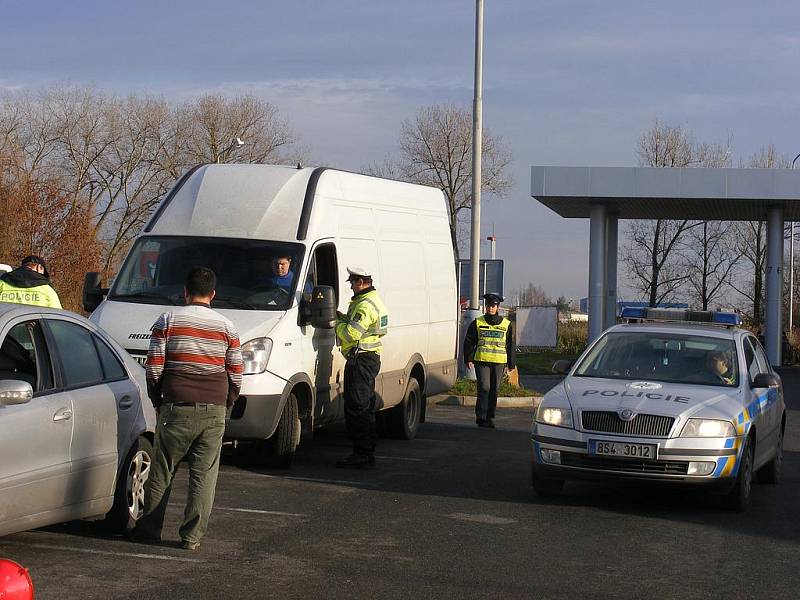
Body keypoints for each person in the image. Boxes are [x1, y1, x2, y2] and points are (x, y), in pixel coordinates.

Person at [132, 267, 243, 551]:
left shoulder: (168, 320)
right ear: (213, 294)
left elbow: (154, 366)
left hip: (176, 405)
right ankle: (191, 537)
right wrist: (227, 400)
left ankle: (149, 529)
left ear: (185, 292)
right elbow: (236, 372)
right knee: (204, 475)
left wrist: (158, 398)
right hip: (214, 408)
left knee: (162, 470)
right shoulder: (227, 327)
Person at [334, 266, 389, 468]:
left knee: (358, 407)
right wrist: (339, 316)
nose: (351, 288)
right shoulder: (371, 301)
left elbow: (350, 334)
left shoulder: (365, 306)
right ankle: (365, 451)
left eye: (352, 284)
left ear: (360, 282)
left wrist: (334, 324)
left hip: (361, 360)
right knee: (365, 406)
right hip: (367, 359)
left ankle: (362, 454)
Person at [463, 292, 516, 429]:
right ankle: (481, 416)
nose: (490, 308)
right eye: (488, 305)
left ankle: (489, 417)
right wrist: (468, 358)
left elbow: (510, 345)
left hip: (499, 363)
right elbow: (469, 341)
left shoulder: (506, 324)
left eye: (493, 305)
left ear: (498, 307)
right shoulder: (478, 322)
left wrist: (511, 364)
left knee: (494, 390)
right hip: (482, 361)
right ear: (485, 307)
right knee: (484, 388)